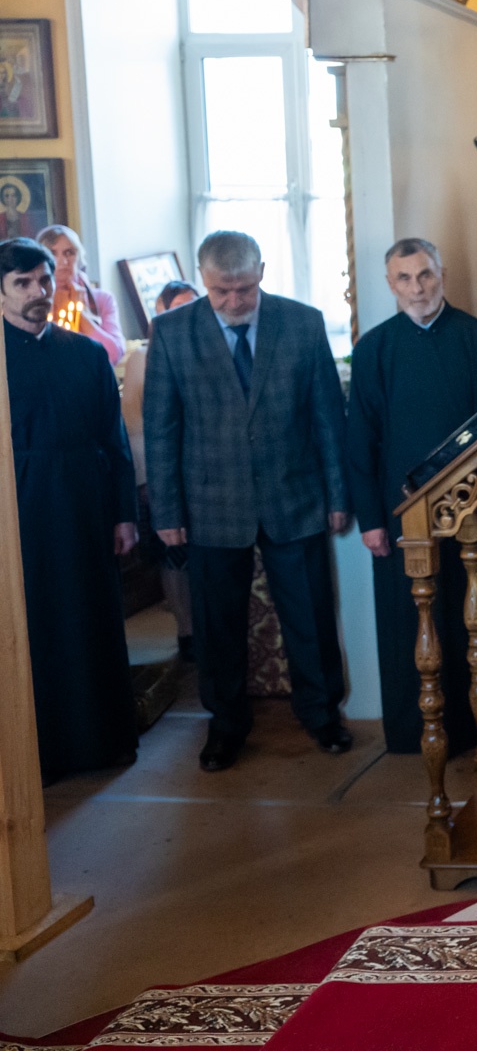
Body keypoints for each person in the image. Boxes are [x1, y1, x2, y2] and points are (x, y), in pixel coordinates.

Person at [145, 231, 353, 772]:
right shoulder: (170, 332)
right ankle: (226, 725)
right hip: (210, 506)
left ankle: (321, 714)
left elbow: (328, 417)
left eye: (245, 288)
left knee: (309, 615)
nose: (235, 302)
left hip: (296, 495)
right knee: (217, 626)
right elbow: (162, 428)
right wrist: (165, 513)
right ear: (203, 279)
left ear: (261, 270)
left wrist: (337, 493)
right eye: (222, 292)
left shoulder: (302, 323)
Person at [345, 238, 477, 756]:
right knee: (411, 621)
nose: (417, 288)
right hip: (403, 517)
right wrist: (370, 519)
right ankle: (415, 732)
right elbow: (360, 440)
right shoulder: (373, 349)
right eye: (404, 279)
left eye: (425, 275)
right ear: (389, 284)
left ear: (441, 272)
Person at [1, 237, 139, 782]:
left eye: (42, 280)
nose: (38, 292)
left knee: (92, 621)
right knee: (37, 631)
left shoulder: (85, 355)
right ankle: (45, 752)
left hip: (85, 510)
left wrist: (124, 514)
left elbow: (115, 441)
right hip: (21, 517)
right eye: (22, 284)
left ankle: (103, 742)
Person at [122, 279, 201, 659]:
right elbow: (137, 425)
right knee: (174, 556)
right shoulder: (144, 357)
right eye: (178, 307)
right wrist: (147, 481)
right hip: (163, 473)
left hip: (206, 473)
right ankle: (187, 633)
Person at [35, 223, 126, 364]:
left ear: (79, 257)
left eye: (69, 252)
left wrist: (79, 312)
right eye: (52, 253)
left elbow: (113, 355)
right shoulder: (32, 300)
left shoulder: (102, 299)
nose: (63, 261)